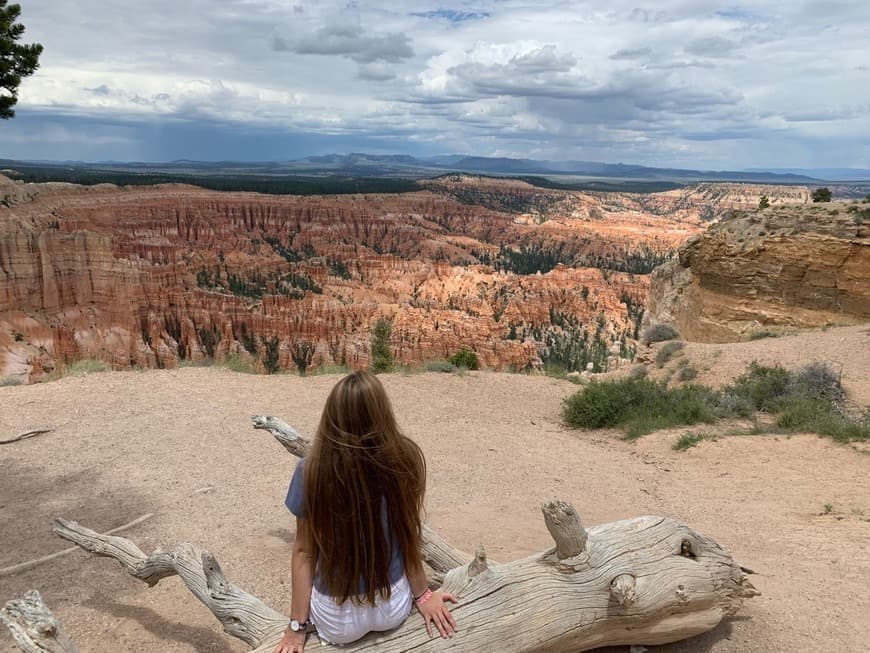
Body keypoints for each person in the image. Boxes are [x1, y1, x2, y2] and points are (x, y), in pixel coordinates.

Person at [274, 371, 458, 653]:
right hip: (392, 607)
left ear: (332, 416)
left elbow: (304, 552)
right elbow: (408, 533)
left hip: (337, 620)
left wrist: (296, 629)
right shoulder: (404, 458)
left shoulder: (311, 470)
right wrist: (424, 596)